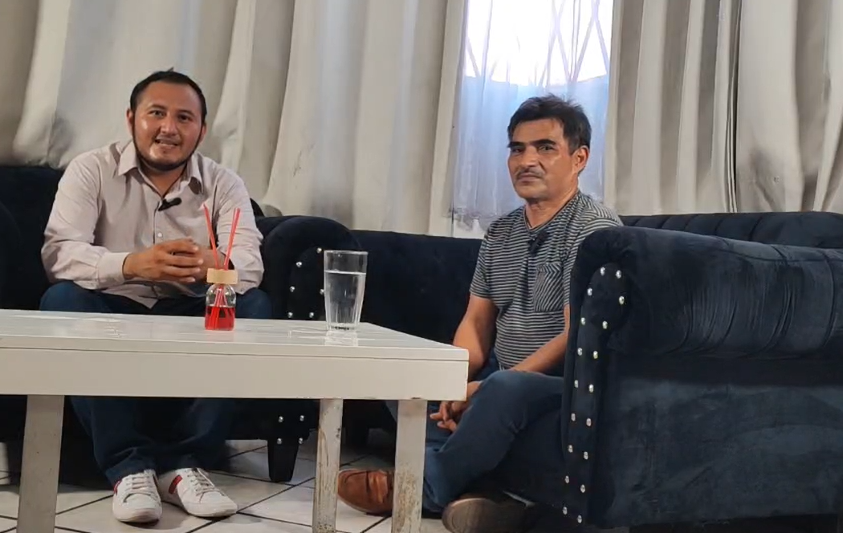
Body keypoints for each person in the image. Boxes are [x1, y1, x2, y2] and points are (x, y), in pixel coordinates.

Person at [336, 95, 622, 533]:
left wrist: (484, 391)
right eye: (517, 149)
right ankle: (489, 496)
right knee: (408, 371)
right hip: (503, 374)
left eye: (545, 147)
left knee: (503, 388)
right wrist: (451, 379)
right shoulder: (501, 231)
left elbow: (575, 338)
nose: (527, 160)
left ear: (579, 158)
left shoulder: (593, 229)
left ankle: (420, 490)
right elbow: (476, 322)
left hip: (565, 384)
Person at [39, 69, 271, 524]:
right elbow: (59, 254)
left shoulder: (224, 183)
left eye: (184, 118)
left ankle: (183, 467)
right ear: (131, 119)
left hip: (192, 305)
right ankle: (129, 467)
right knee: (62, 301)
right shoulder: (91, 169)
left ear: (201, 129)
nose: (169, 128)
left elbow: (250, 264)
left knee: (254, 307)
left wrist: (209, 263)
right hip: (111, 303)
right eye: (156, 114)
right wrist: (132, 264)